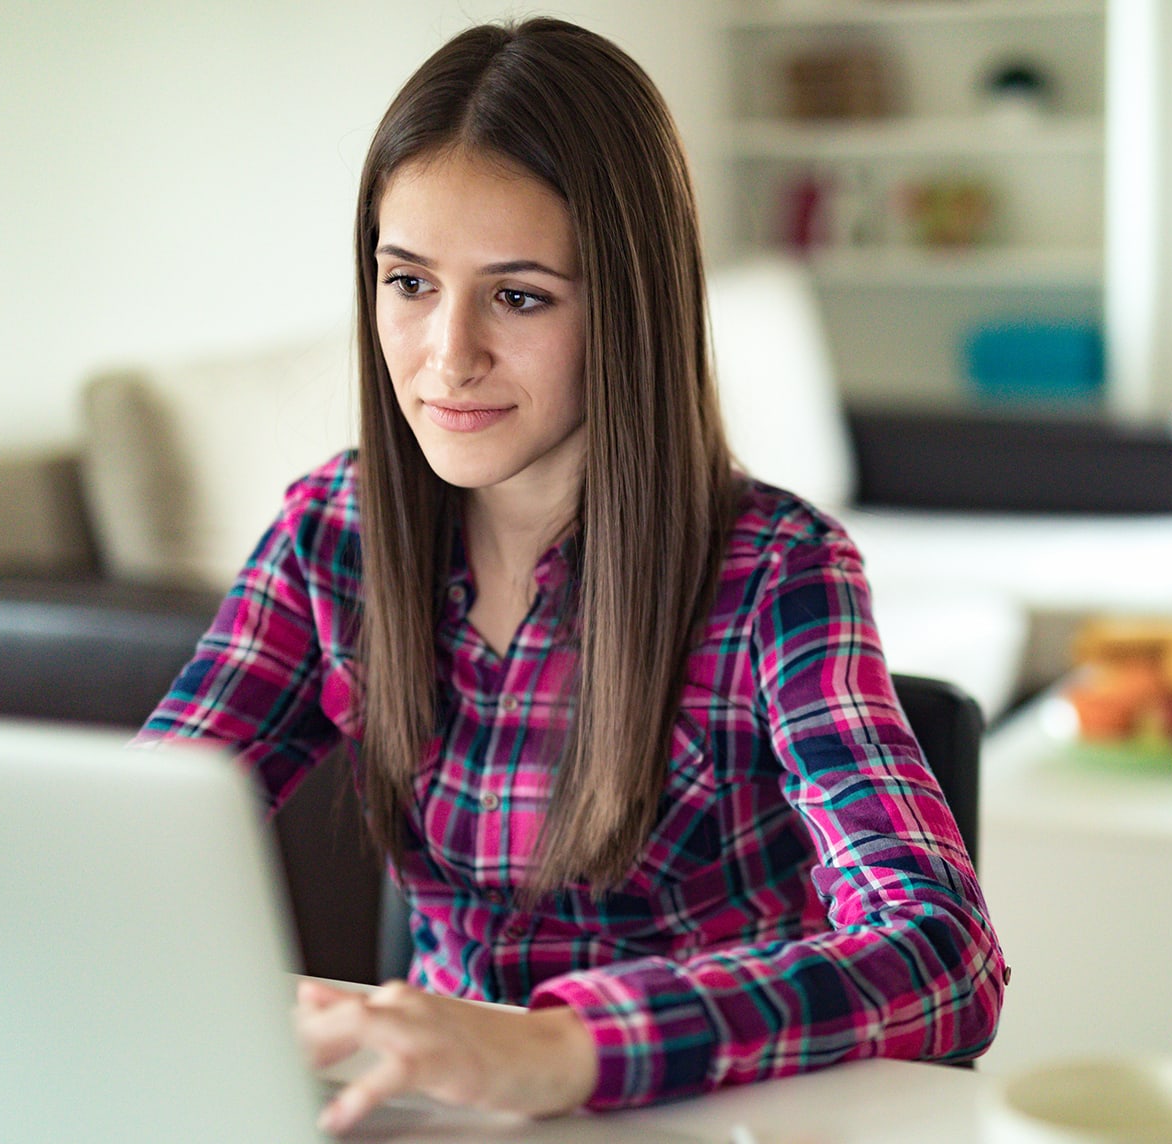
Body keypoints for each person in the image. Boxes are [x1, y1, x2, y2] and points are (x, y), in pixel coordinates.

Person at [137, 16, 1006, 1135]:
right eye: (408, 281)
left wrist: (562, 1043)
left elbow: (940, 957)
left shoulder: (774, 574)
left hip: (708, 1116)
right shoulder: (333, 533)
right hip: (444, 1113)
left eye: (519, 295)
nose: (446, 354)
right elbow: (145, 824)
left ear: (629, 309)